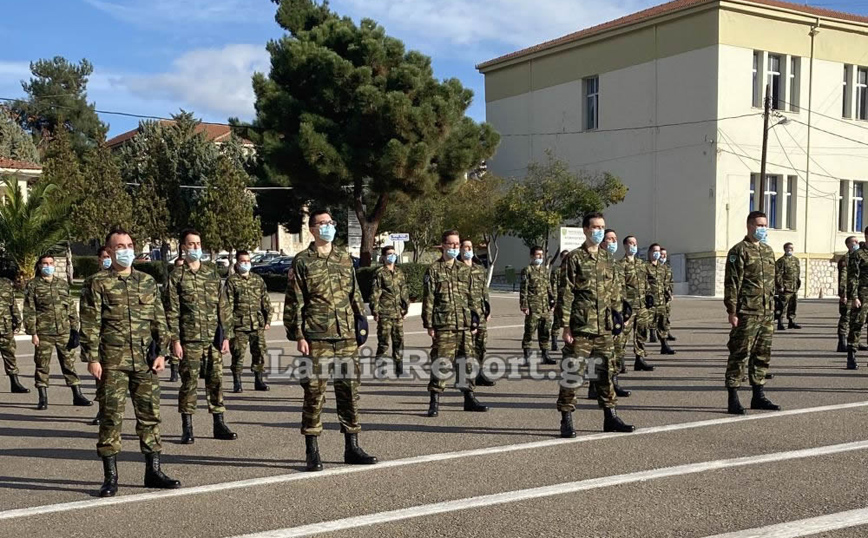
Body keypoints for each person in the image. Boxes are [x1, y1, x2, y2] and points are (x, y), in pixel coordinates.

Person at [80, 228, 180, 497]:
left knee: (150, 416)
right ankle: (110, 477)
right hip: (112, 362)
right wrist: (92, 358)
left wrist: (162, 353)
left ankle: (153, 471)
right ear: (109, 251)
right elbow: (90, 323)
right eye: (120, 246)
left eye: (129, 245)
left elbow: (159, 320)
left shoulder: (147, 281)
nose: (126, 250)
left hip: (145, 361)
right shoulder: (97, 283)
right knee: (111, 417)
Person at [284, 209, 377, 472]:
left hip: (346, 335)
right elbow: (295, 300)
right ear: (312, 229)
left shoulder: (344, 258)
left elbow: (354, 293)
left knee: (350, 391)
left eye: (331, 222)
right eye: (323, 223)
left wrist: (361, 324)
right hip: (317, 337)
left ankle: (352, 446)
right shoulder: (302, 261)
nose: (328, 227)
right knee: (315, 393)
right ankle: (312, 450)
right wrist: (298, 335)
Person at [557, 212, 634, 437]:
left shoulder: (608, 259)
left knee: (605, 373)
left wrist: (619, 317)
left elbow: (615, 292)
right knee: (573, 373)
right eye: (595, 227)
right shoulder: (574, 258)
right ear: (585, 230)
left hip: (605, 328)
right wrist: (565, 326)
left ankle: (610, 416)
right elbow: (566, 293)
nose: (599, 231)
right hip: (581, 327)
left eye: (602, 227)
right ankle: (566, 418)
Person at [165, 229, 237, 444]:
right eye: (191, 244)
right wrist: (175, 341)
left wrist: (226, 336)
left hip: (213, 339)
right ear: (183, 247)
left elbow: (223, 306)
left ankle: (219, 423)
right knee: (189, 384)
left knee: (216, 382)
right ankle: (187, 427)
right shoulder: (177, 276)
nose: (195, 247)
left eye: (198, 243)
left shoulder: (211, 274)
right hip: (189, 340)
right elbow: (172, 311)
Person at [422, 230, 488, 418]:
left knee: (466, 363)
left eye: (457, 244)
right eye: (451, 244)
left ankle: (469, 398)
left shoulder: (465, 270)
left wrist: (475, 320)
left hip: (465, 324)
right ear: (443, 245)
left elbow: (472, 297)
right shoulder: (434, 270)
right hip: (444, 324)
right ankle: (434, 401)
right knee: (441, 363)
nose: (455, 247)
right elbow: (429, 299)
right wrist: (429, 324)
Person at [724, 211, 781, 415]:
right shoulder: (739, 251)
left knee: (762, 354)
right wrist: (732, 310)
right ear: (749, 226)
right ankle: (733, 398)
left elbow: (772, 282)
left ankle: (758, 395)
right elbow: (732, 283)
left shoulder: (767, 250)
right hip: (746, 312)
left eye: (765, 225)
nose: (763, 229)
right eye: (759, 225)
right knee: (739, 354)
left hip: (766, 312)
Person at [23, 255, 92, 410]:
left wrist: (74, 329)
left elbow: (71, 307)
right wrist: (33, 333)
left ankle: (77, 395)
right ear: (39, 266)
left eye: (50, 263)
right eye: (45, 263)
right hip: (43, 332)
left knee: (69, 364)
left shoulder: (62, 284)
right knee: (42, 365)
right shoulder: (33, 285)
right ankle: (42, 397)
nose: (48, 266)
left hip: (64, 331)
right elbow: (29, 310)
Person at [226, 250, 272, 393]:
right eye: (243, 261)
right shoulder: (232, 281)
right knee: (238, 354)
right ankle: (237, 382)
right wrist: (228, 326)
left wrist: (268, 320)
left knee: (259, 352)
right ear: (237, 263)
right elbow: (227, 305)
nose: (246, 263)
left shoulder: (257, 280)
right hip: (239, 325)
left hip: (257, 324)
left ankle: (259, 380)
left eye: (248, 261)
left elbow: (265, 301)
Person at [460, 239, 497, 385]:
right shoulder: (457, 269)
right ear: (460, 249)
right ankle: (465, 376)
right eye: (466, 247)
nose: (468, 250)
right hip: (464, 314)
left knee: (481, 345)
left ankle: (479, 373)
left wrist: (487, 309)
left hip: (480, 313)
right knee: (466, 347)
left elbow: (484, 291)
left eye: (470, 247)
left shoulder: (479, 269)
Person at [370, 246, 409, 376]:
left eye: (393, 254)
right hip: (385, 312)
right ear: (383, 257)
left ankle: (399, 364)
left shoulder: (399, 272)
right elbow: (375, 292)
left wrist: (405, 308)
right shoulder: (380, 273)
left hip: (398, 312)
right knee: (384, 341)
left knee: (399, 340)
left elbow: (404, 291)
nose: (392, 256)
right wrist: (375, 311)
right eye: (389, 254)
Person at [520, 246, 555, 365]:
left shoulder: (545, 270)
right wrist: (524, 305)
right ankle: (527, 356)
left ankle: (545, 355)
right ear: (532, 256)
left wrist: (552, 300)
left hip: (545, 306)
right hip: (533, 306)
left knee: (545, 331)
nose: (540, 257)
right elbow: (523, 289)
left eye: (542, 255)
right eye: (538, 255)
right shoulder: (527, 270)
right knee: (529, 331)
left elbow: (548, 287)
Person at [645, 244, 676, 356]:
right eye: (654, 251)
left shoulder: (662, 268)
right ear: (649, 252)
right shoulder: (644, 267)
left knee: (662, 323)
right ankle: (640, 350)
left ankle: (664, 345)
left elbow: (666, 284)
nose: (657, 253)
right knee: (644, 325)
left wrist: (669, 294)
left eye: (658, 251)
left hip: (661, 300)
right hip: (649, 301)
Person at [847, 227, 868, 370]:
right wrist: (854, 297)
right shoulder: (858, 254)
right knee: (857, 325)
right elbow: (853, 277)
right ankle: (851, 356)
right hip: (862, 294)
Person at [1, 275, 26, 394]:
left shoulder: (5, 284)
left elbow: (13, 305)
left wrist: (18, 321)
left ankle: (15, 383)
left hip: (5, 327)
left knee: (10, 355)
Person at [164, 257, 187, 383]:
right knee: (174, 344)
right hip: (173, 318)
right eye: (178, 266)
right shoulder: (170, 281)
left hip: (187, 320)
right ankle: (174, 370)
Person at [838, 236, 859, 356]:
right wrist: (843, 294)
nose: (856, 243)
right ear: (848, 245)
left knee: (856, 319)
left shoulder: (858, 257)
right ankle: (842, 342)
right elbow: (843, 278)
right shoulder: (846, 259)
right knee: (845, 317)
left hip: (857, 293)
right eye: (854, 242)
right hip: (848, 293)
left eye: (857, 241)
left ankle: (854, 342)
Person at [775, 243, 802, 331]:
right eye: (788, 248)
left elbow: (797, 273)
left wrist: (798, 284)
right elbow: (778, 274)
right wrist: (780, 286)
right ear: (785, 249)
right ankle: (780, 323)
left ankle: (791, 321)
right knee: (783, 306)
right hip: (785, 288)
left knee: (793, 305)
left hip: (794, 287)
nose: (790, 249)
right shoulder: (781, 261)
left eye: (792, 248)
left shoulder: (796, 260)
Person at [550, 250, 569, 352]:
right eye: (564, 256)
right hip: (560, 301)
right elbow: (553, 287)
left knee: (569, 324)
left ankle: (568, 344)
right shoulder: (557, 271)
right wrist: (554, 301)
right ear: (561, 258)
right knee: (557, 323)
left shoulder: (572, 270)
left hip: (570, 301)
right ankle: (554, 343)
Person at [659, 248, 676, 342]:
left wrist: (671, 293)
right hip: (657, 295)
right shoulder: (654, 267)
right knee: (656, 316)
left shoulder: (667, 268)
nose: (664, 256)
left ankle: (667, 332)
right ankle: (653, 333)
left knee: (667, 314)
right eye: (662, 254)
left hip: (666, 295)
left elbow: (671, 282)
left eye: (665, 254)